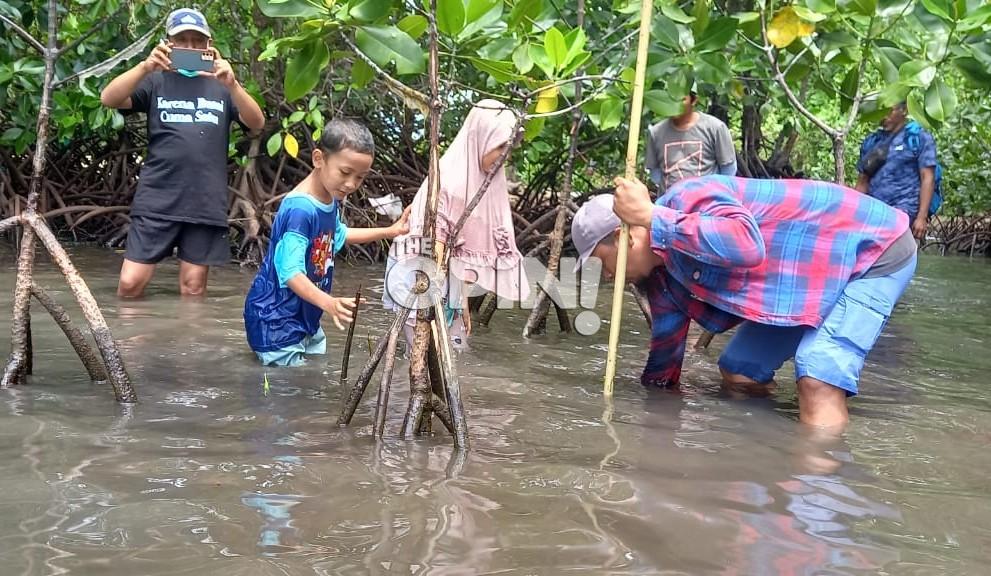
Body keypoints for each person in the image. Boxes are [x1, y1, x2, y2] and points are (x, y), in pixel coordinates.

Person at [571, 174, 917, 429]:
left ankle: (816, 510)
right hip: (808, 279)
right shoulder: (662, 281)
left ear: (624, 237)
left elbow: (747, 243)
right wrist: (634, 418)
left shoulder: (688, 198)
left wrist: (652, 218)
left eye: (603, 263)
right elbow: (665, 365)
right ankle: (771, 457)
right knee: (739, 371)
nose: (608, 278)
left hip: (872, 249)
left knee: (818, 378)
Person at [100, 7, 266, 298]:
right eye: (182, 40)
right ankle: (126, 343)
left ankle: (188, 344)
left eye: (197, 41)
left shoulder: (223, 86)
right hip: (158, 197)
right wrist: (145, 67)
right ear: (168, 43)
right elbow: (109, 98)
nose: (190, 46)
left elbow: (256, 123)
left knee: (192, 288)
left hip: (204, 200)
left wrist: (233, 84)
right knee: (129, 283)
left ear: (209, 45)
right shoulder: (155, 81)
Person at [243, 119, 410, 367]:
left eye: (360, 177)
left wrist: (389, 231)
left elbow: (338, 235)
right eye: (345, 172)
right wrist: (329, 303)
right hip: (274, 320)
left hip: (303, 316)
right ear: (318, 159)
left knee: (310, 382)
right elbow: (290, 272)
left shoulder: (328, 201)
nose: (352, 184)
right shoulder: (301, 209)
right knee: (287, 391)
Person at [383, 99, 530, 350]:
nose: (504, 156)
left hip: (445, 275)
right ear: (480, 139)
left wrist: (460, 300)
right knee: (427, 356)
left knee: (456, 350)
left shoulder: (482, 182)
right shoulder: (451, 180)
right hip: (418, 273)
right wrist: (434, 304)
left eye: (509, 147)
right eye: (500, 146)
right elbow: (436, 247)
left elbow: (459, 248)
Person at [855, 102, 938, 240]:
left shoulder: (918, 138)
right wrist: (852, 215)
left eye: (889, 110)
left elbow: (927, 178)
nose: (884, 115)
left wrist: (921, 218)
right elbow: (862, 182)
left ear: (904, 110)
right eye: (880, 111)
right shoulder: (872, 141)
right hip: (875, 212)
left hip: (905, 211)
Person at [644, 84, 737, 191]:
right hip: (669, 204)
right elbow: (655, 173)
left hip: (706, 203)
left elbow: (728, 169)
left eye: (682, 99)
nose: (675, 104)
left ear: (694, 100)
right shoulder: (656, 132)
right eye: (671, 99)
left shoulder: (715, 128)